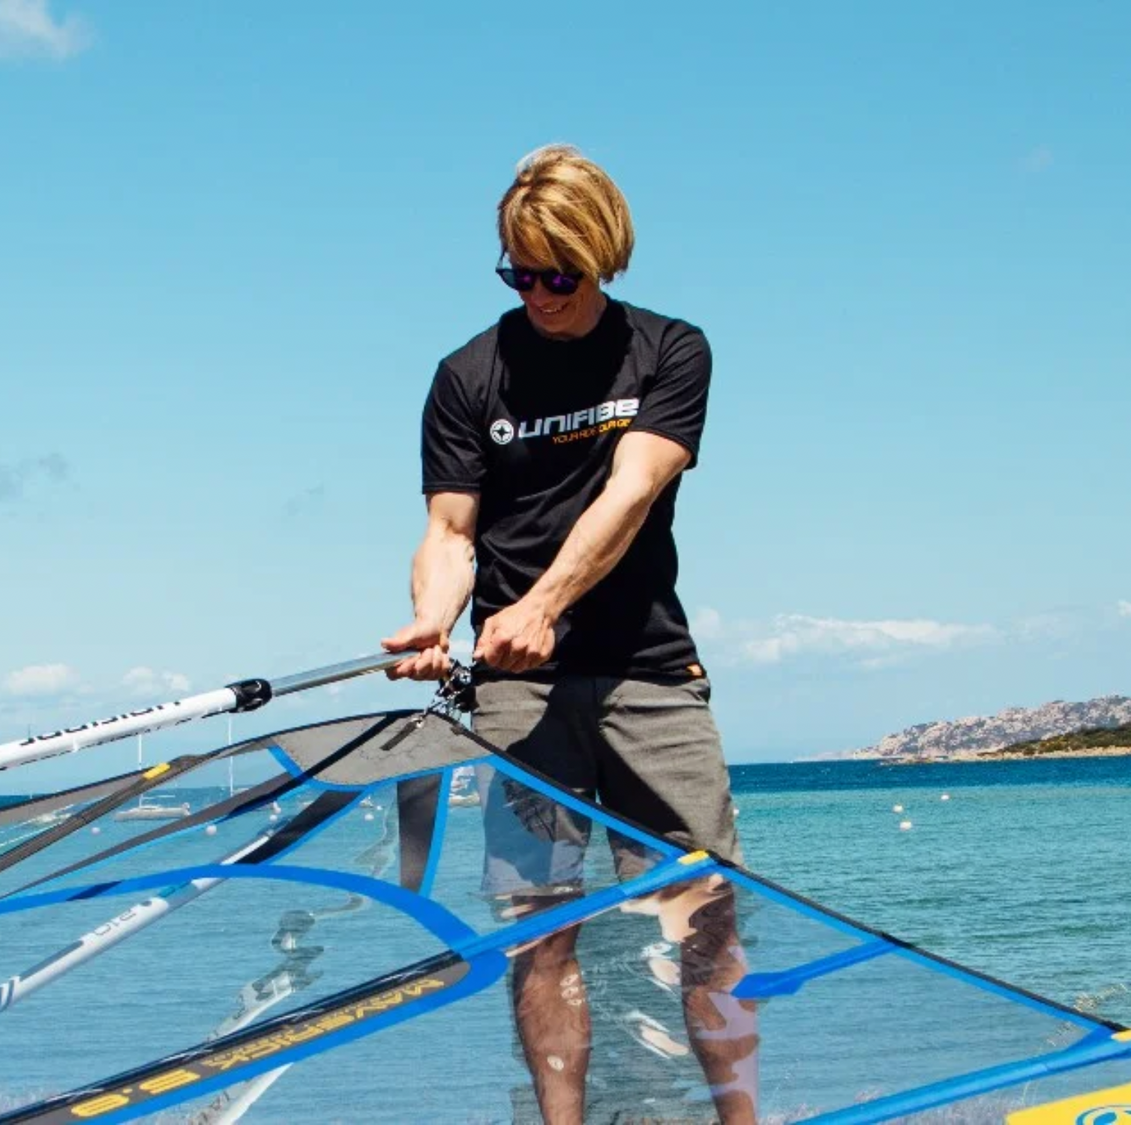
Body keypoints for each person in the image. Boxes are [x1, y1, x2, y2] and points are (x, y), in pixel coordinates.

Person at [383, 145, 757, 1124]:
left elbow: (633, 491)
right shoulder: (467, 375)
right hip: (516, 690)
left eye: (559, 275)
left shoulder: (669, 351)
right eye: (519, 274)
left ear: (603, 257)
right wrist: (433, 620)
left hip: (649, 674)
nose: (539, 295)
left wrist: (543, 604)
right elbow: (450, 533)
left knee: (704, 922)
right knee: (539, 930)